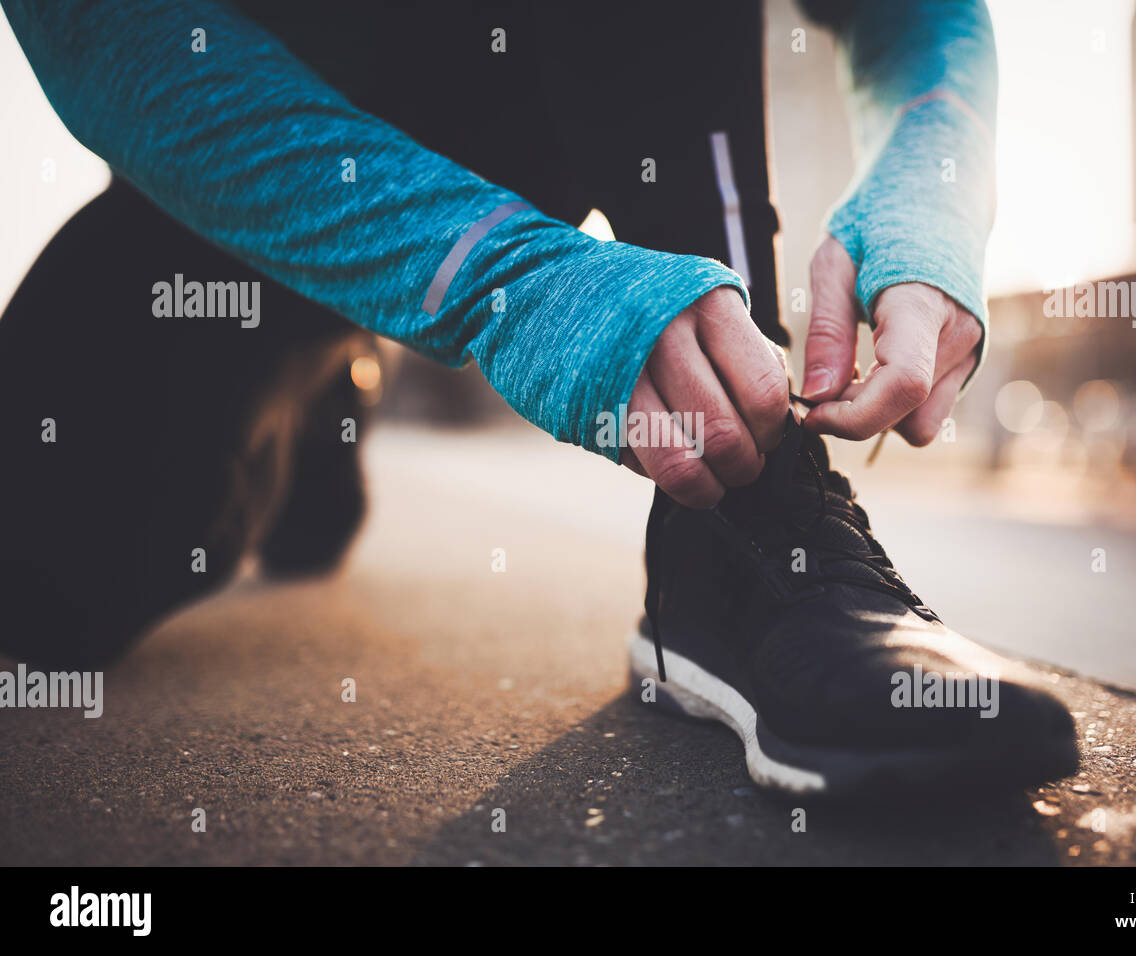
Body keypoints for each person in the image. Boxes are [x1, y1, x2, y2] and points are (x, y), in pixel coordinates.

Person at [0, 0, 1076, 795]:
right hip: (251, 158)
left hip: (557, 83)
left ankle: (749, 517)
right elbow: (97, 27)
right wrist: (505, 278)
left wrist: (929, 193)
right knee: (38, 580)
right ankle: (334, 394)